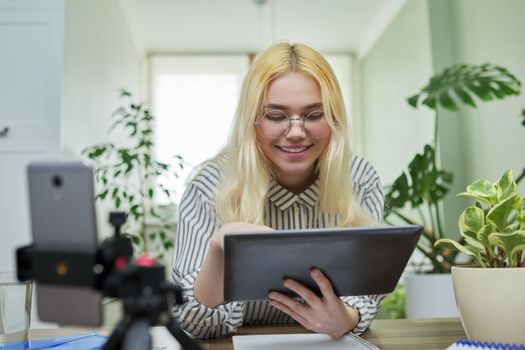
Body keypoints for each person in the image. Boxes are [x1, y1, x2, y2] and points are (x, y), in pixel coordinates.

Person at [171, 42, 385, 340]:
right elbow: (195, 322)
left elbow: (366, 295)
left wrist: (346, 318)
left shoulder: (359, 179)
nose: (296, 132)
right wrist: (219, 248)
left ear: (334, 119)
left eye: (313, 115)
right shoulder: (210, 185)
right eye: (275, 116)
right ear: (252, 122)